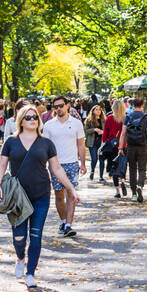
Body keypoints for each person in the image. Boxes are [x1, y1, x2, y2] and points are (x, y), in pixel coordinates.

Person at [0, 104, 80, 288]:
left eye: (35, 117)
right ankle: (20, 258)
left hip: (41, 194)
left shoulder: (46, 143)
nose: (32, 120)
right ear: (21, 121)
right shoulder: (10, 141)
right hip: (17, 197)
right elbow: (1, 166)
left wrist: (71, 188)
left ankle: (31, 272)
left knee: (36, 235)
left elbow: (56, 168)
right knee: (19, 238)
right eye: (28, 117)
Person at [43, 95, 86, 236]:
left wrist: (83, 163)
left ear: (68, 105)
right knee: (59, 194)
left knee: (71, 193)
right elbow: (45, 147)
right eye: (56, 107)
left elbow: (81, 144)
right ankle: (62, 221)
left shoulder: (76, 123)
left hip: (72, 163)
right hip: (55, 164)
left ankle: (68, 224)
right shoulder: (49, 125)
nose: (59, 109)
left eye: (61, 105)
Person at [118, 96, 147, 203]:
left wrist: (120, 147)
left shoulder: (128, 117)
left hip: (130, 147)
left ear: (133, 105)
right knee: (142, 169)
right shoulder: (146, 117)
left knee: (132, 169)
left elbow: (123, 133)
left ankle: (133, 193)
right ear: (142, 105)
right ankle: (140, 186)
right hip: (142, 146)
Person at [100, 102, 123, 186]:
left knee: (112, 162)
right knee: (121, 163)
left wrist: (103, 143)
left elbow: (105, 133)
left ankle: (115, 182)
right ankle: (122, 178)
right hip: (122, 145)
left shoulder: (109, 118)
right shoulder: (125, 118)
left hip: (111, 144)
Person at [84, 105, 104, 181]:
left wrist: (103, 132)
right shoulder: (89, 120)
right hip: (92, 143)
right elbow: (86, 131)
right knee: (94, 159)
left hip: (102, 143)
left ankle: (101, 176)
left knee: (101, 160)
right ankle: (92, 171)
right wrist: (94, 129)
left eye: (99, 109)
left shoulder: (103, 120)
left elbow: (107, 131)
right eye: (96, 109)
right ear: (93, 111)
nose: (98, 111)